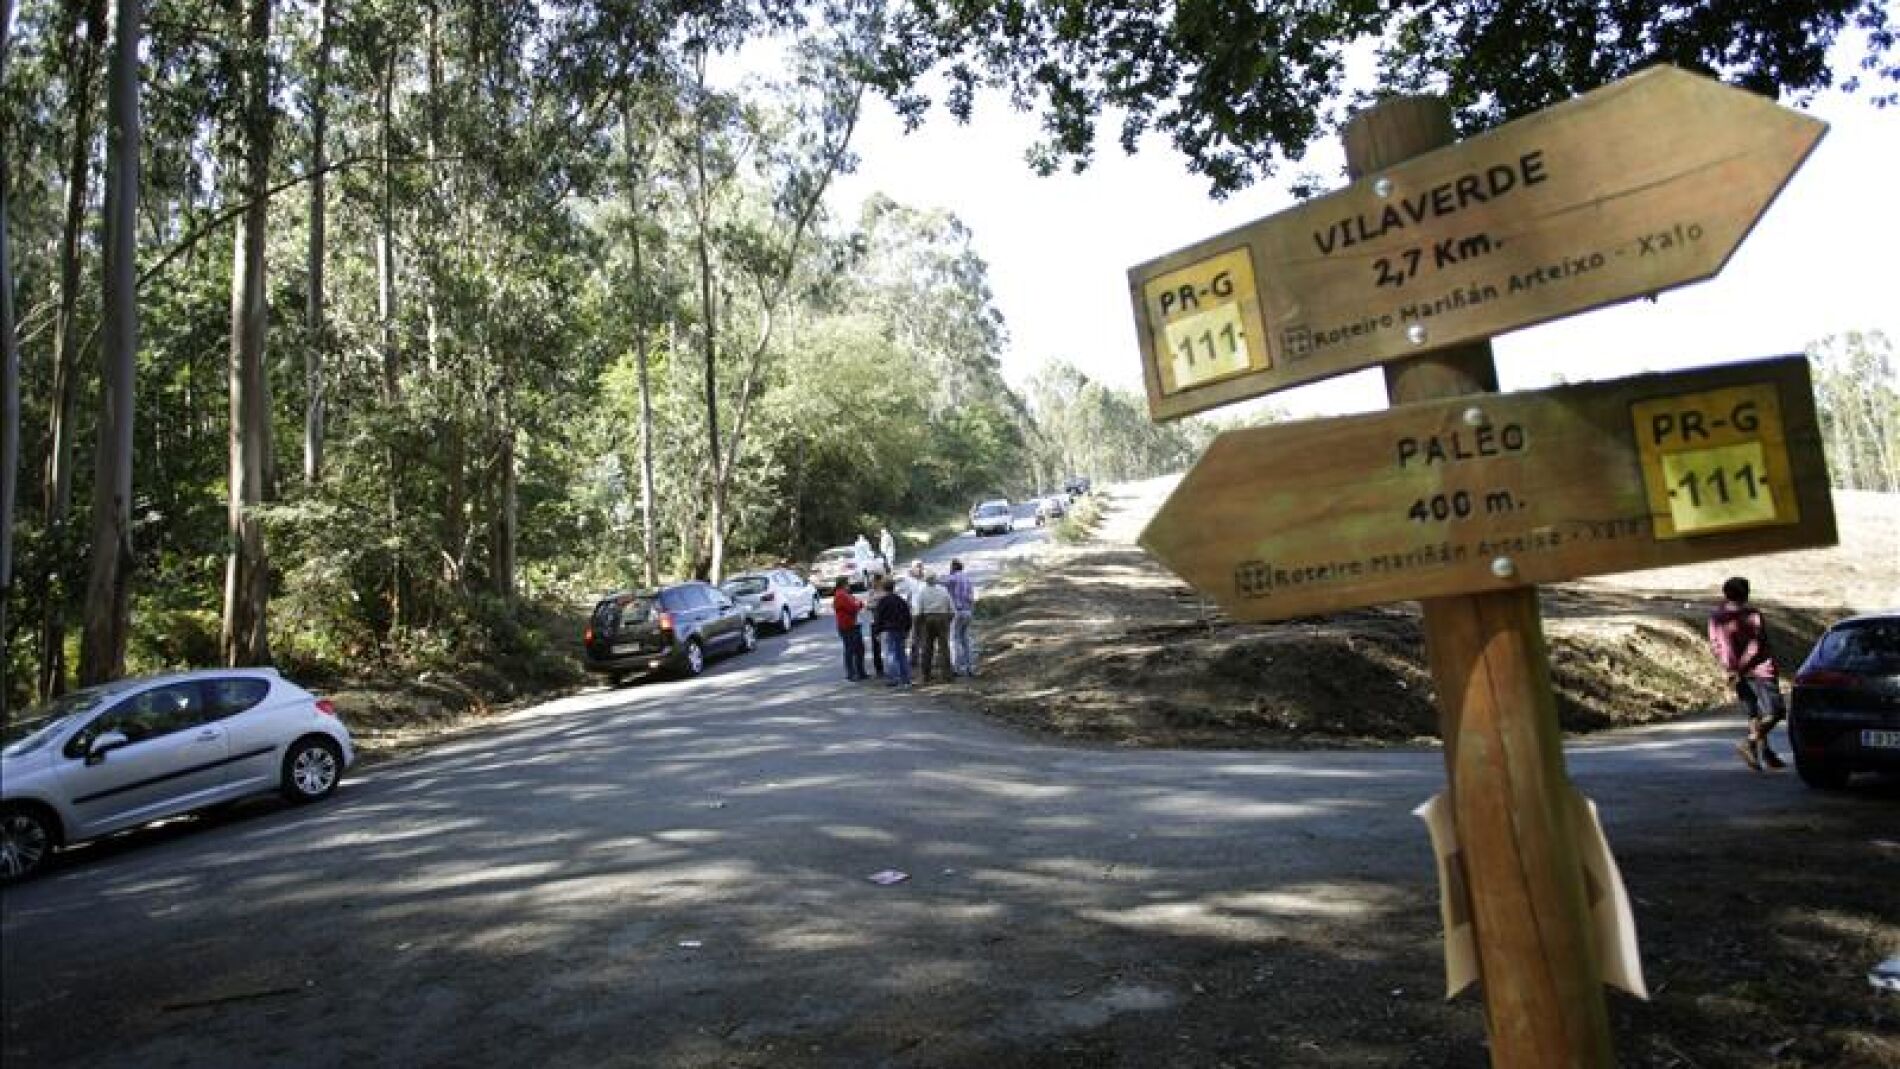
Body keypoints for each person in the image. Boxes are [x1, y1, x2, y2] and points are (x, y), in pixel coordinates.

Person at [1708, 576, 1785, 771]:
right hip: (1760, 670)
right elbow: (1754, 646)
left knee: (1753, 712)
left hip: (1735, 671)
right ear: (1746, 593)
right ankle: (1749, 742)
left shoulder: (1716, 616)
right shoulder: (1752, 615)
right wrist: (1741, 667)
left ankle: (1765, 753)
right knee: (1776, 712)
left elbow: (1715, 646)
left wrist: (1730, 668)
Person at [914, 572, 955, 683]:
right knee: (944, 647)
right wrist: (949, 619)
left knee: (927, 648)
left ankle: (926, 675)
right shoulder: (943, 590)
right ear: (936, 579)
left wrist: (917, 626)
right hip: (942, 618)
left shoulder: (922, 592)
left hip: (928, 619)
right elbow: (951, 607)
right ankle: (947, 675)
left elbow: (918, 610)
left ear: (926, 581)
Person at [873, 577, 913, 688]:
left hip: (888, 630)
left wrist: (877, 631)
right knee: (901, 654)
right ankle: (906, 679)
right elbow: (907, 616)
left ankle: (894, 679)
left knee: (890, 654)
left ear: (883, 588)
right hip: (900, 630)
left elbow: (878, 618)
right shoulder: (900, 600)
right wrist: (907, 629)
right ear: (893, 587)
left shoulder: (883, 601)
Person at [942, 558, 977, 676]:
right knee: (966, 640)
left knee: (954, 640)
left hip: (957, 612)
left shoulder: (952, 578)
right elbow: (972, 597)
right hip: (968, 611)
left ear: (953, 567)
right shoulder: (967, 579)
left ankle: (956, 668)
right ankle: (970, 667)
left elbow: (941, 584)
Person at [832, 577, 867, 682]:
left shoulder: (845, 594)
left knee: (859, 649)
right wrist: (858, 604)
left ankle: (860, 672)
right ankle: (851, 673)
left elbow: (857, 603)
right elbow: (853, 607)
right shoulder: (841, 595)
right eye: (848, 584)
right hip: (848, 626)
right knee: (850, 650)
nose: (849, 586)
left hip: (852, 624)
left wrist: (858, 603)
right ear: (843, 584)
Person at [860, 579, 885, 678]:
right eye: (873, 583)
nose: (874, 584)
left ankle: (893, 668)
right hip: (874, 622)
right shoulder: (871, 593)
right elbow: (867, 606)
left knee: (888, 646)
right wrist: (874, 603)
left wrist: (875, 603)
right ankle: (879, 669)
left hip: (885, 622)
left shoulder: (884, 592)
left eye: (876, 582)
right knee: (876, 647)